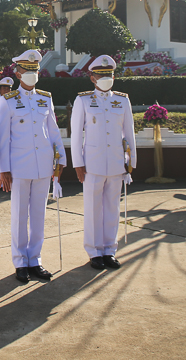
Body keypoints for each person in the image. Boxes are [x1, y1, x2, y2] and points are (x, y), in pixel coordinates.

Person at [0, 49, 65, 283]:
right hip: (19, 166)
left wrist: (61, 159)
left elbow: (53, 131)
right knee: (19, 215)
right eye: (27, 70)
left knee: (38, 214)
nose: (32, 74)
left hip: (43, 165)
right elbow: (2, 138)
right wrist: (3, 169)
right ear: (17, 73)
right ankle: (20, 261)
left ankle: (34, 259)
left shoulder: (45, 98)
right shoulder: (7, 101)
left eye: (35, 70)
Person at [70, 55, 136, 270]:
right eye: (100, 74)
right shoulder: (83, 100)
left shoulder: (123, 100)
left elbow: (129, 133)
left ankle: (109, 249)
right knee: (92, 209)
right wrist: (78, 164)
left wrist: (131, 161)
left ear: (114, 76)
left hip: (117, 163)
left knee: (112, 208)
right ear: (92, 78)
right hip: (93, 164)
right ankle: (94, 251)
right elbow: (76, 135)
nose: (105, 78)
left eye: (108, 74)